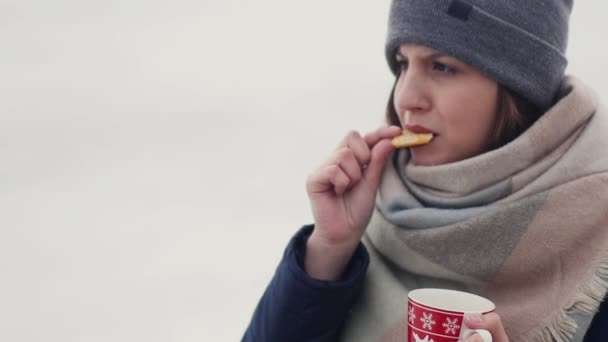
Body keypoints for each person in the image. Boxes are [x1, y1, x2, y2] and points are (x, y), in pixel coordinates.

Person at [243, 0, 608, 341]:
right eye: (402, 64)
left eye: (443, 67)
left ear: (519, 86)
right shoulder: (372, 203)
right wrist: (329, 249)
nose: (405, 99)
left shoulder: (598, 242)